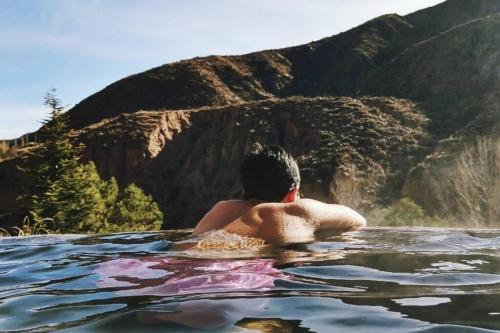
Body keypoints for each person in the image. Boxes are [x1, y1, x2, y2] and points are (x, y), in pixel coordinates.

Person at [193, 146, 366, 243]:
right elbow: (358, 220)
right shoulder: (298, 211)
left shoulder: (221, 209)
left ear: (245, 190)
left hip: (182, 269)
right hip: (242, 275)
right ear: (293, 193)